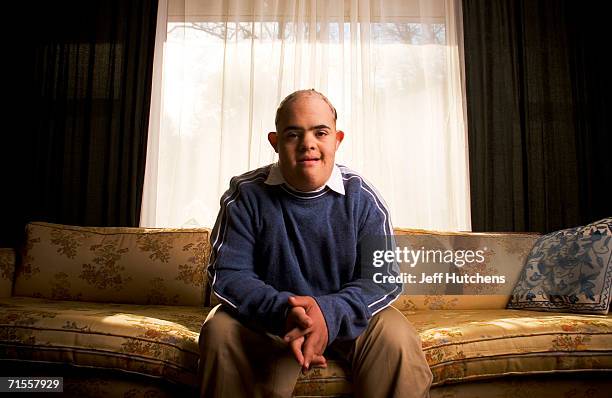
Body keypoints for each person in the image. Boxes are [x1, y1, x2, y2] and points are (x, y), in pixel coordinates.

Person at [198, 89, 432, 398]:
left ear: (337, 139)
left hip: (350, 317)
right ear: (275, 141)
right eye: (293, 134)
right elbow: (229, 275)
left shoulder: (364, 199)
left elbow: (382, 279)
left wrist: (328, 312)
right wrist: (283, 311)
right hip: (270, 320)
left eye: (320, 132)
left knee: (396, 335)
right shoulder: (245, 196)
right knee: (219, 328)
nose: (308, 143)